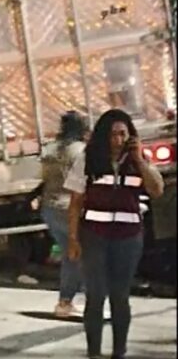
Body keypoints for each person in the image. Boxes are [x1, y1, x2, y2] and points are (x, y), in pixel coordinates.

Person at [66, 109, 164, 359]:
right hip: (94, 236)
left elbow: (157, 190)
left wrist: (139, 159)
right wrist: (73, 239)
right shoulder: (88, 160)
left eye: (123, 134)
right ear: (103, 136)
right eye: (113, 135)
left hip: (128, 238)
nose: (118, 140)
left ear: (131, 136)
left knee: (120, 297)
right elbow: (76, 202)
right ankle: (94, 353)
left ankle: (119, 352)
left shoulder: (137, 162)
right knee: (96, 295)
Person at [40, 110, 87, 317]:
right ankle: (90, 301)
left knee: (72, 255)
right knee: (88, 254)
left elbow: (42, 178)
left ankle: (65, 303)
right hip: (69, 209)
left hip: (50, 208)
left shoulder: (50, 150)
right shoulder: (80, 151)